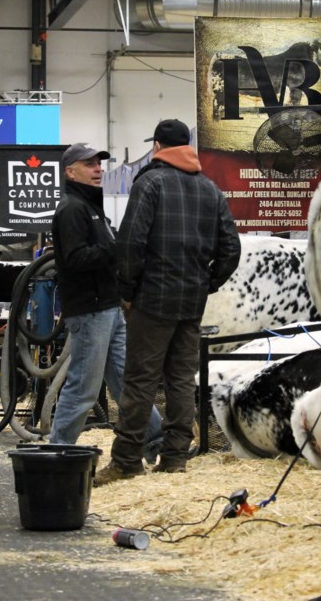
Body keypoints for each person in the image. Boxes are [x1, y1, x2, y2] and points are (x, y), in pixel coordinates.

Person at [95, 119, 241, 486]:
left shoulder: (151, 182)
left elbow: (131, 243)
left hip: (151, 300)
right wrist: (206, 284)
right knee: (179, 380)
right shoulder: (210, 189)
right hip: (189, 304)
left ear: (158, 146)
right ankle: (175, 457)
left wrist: (126, 291)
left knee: (140, 380)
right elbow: (231, 249)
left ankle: (127, 459)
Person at [49, 143, 164, 461]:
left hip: (108, 307)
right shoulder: (72, 209)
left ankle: (155, 437)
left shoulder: (91, 208)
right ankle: (57, 454)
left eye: (99, 164)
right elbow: (75, 259)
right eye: (89, 165)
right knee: (83, 389)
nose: (98, 169)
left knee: (127, 381)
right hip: (90, 310)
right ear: (70, 172)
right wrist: (117, 247)